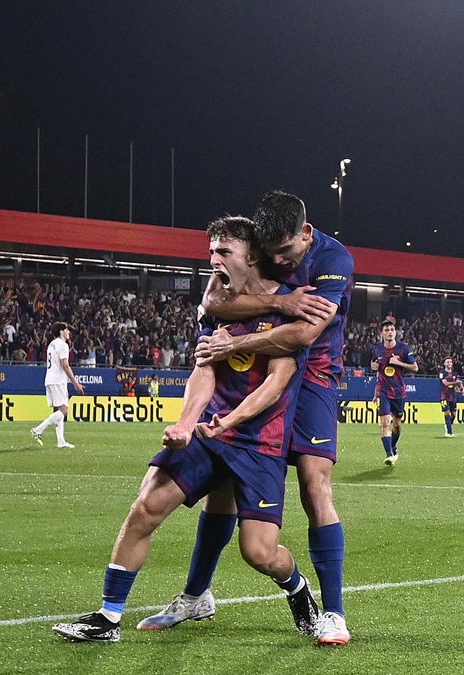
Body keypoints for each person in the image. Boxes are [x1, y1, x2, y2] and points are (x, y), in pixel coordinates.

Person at [53, 216, 315, 643]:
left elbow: (276, 385)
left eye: (223, 251)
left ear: (251, 255)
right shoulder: (217, 304)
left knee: (259, 552)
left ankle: (299, 589)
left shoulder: (292, 304)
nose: (213, 259)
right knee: (146, 506)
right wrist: (186, 423)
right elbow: (203, 370)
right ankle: (108, 617)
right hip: (208, 430)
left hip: (259, 441)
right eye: (211, 250)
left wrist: (227, 422)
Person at [177, 190, 352, 646]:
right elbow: (213, 301)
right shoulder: (262, 245)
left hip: (313, 374)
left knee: (315, 482)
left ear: (307, 235)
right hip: (261, 365)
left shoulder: (335, 260)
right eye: (271, 255)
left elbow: (306, 333)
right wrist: (281, 303)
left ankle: (333, 612)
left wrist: (233, 344)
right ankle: (196, 594)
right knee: (222, 474)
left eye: (287, 252)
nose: (280, 262)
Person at [368, 319, 417, 465]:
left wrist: (398, 363)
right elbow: (373, 364)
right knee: (384, 423)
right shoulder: (377, 349)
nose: (389, 332)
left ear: (395, 333)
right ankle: (389, 455)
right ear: (382, 333)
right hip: (383, 391)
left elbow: (415, 367)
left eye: (391, 330)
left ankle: (393, 446)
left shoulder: (404, 348)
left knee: (397, 425)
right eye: (386, 330)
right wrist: (373, 366)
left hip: (398, 392)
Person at [31, 321, 85, 449]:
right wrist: (75, 382)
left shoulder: (51, 344)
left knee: (60, 409)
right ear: (61, 332)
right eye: (66, 330)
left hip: (50, 379)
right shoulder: (63, 345)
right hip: (58, 380)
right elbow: (65, 365)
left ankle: (61, 441)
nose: (68, 332)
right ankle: (38, 429)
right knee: (64, 410)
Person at [439, 356, 463, 437]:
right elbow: (445, 383)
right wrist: (456, 382)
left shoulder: (455, 373)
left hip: (452, 396)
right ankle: (449, 432)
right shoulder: (442, 373)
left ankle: (447, 425)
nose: (449, 363)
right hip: (444, 396)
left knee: (453, 415)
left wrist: (461, 388)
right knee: (447, 412)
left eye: (450, 362)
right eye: (448, 362)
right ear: (444, 363)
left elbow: (459, 382)